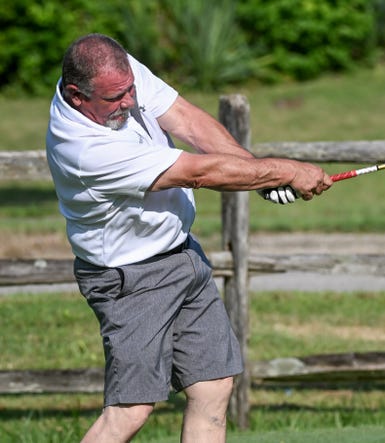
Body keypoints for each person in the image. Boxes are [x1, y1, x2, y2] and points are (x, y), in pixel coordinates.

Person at [46, 33, 332, 443]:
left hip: (181, 254)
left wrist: (257, 173)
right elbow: (199, 173)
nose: (129, 102)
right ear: (77, 95)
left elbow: (186, 119)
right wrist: (283, 171)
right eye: (115, 99)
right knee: (129, 412)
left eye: (130, 90)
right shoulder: (83, 149)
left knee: (214, 384)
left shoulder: (117, 72)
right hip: (129, 279)